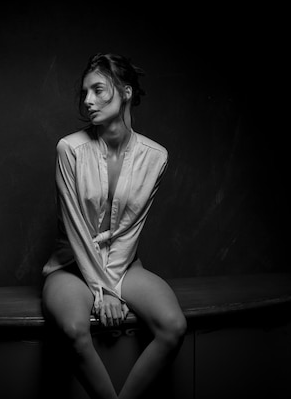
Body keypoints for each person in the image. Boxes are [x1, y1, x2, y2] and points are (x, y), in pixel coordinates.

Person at [41, 52, 187, 399]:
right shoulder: (70, 150)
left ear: (125, 91)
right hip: (71, 265)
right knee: (76, 329)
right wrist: (101, 290)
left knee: (174, 326)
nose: (88, 101)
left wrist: (112, 285)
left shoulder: (156, 157)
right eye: (84, 93)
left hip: (123, 263)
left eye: (98, 90)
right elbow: (75, 227)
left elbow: (132, 230)